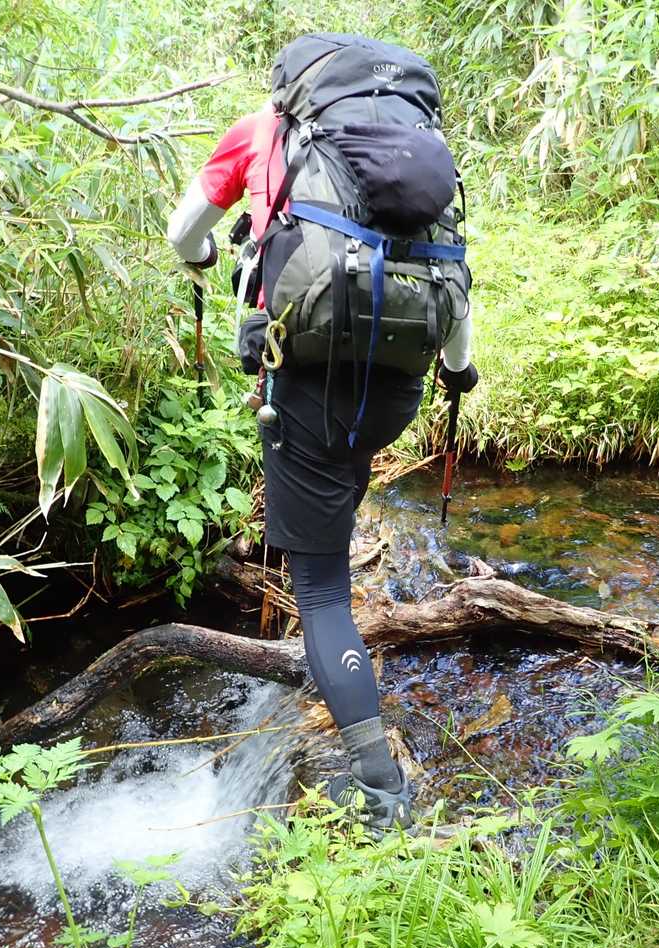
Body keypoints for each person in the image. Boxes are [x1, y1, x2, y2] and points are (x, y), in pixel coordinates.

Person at [166, 35, 478, 831]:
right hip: (396, 387)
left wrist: (208, 254)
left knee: (323, 592)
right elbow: (453, 275)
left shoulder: (264, 132)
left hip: (306, 385)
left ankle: (382, 791)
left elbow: (183, 234)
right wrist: (460, 371)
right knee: (342, 483)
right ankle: (346, 689)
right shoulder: (420, 155)